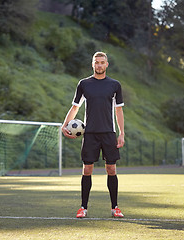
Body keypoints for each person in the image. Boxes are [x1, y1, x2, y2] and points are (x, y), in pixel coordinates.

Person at [62, 51, 125, 218]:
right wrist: (64, 125)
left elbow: (118, 110)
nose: (99, 65)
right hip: (89, 133)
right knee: (87, 169)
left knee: (111, 169)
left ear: (107, 64)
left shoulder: (115, 85)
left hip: (109, 133)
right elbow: (75, 107)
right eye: (96, 62)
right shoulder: (84, 84)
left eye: (102, 62)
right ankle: (83, 208)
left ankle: (115, 207)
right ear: (92, 64)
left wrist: (121, 133)